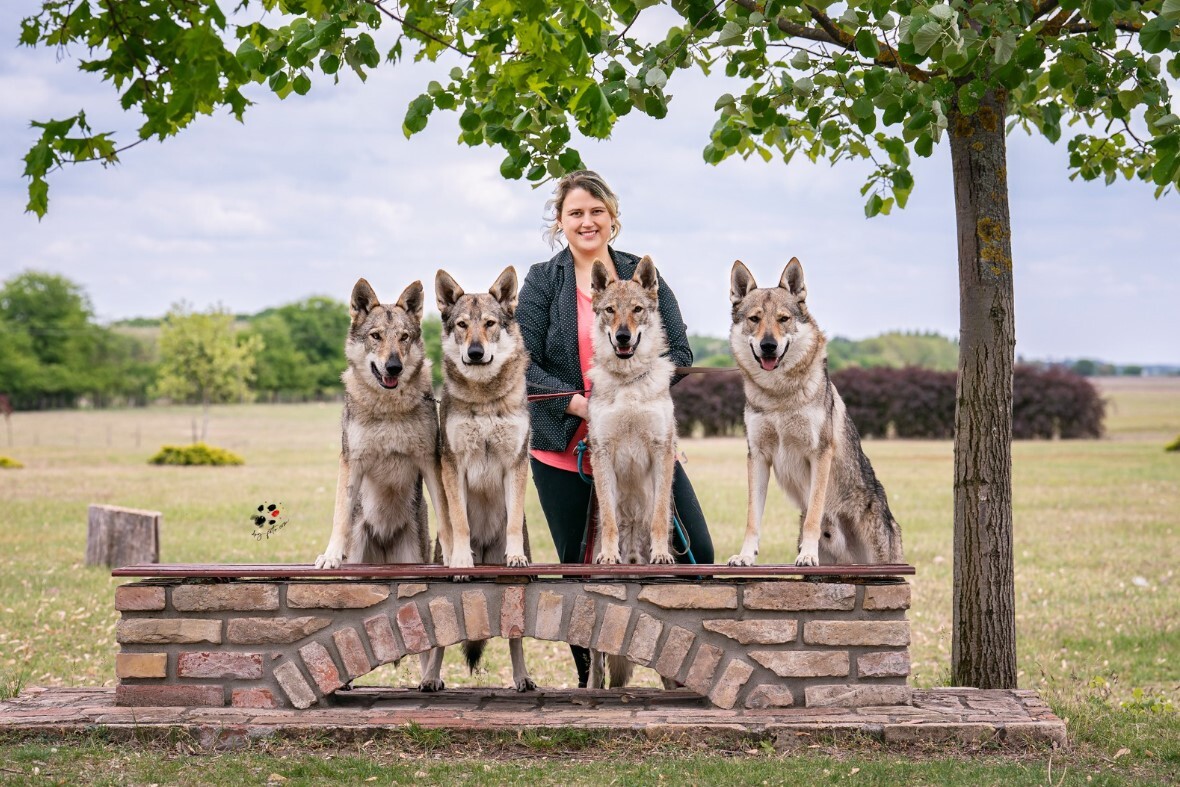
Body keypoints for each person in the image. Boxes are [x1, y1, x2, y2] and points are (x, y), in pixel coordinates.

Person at [516, 170, 714, 688]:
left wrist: (648, 410)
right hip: (560, 448)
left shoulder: (640, 273)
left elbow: (682, 354)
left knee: (696, 551)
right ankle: (595, 687)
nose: (587, 221)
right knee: (580, 573)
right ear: (560, 222)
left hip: (643, 443)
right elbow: (522, 363)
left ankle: (684, 673)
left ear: (612, 218)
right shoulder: (544, 280)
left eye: (596, 211)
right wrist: (582, 405)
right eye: (576, 213)